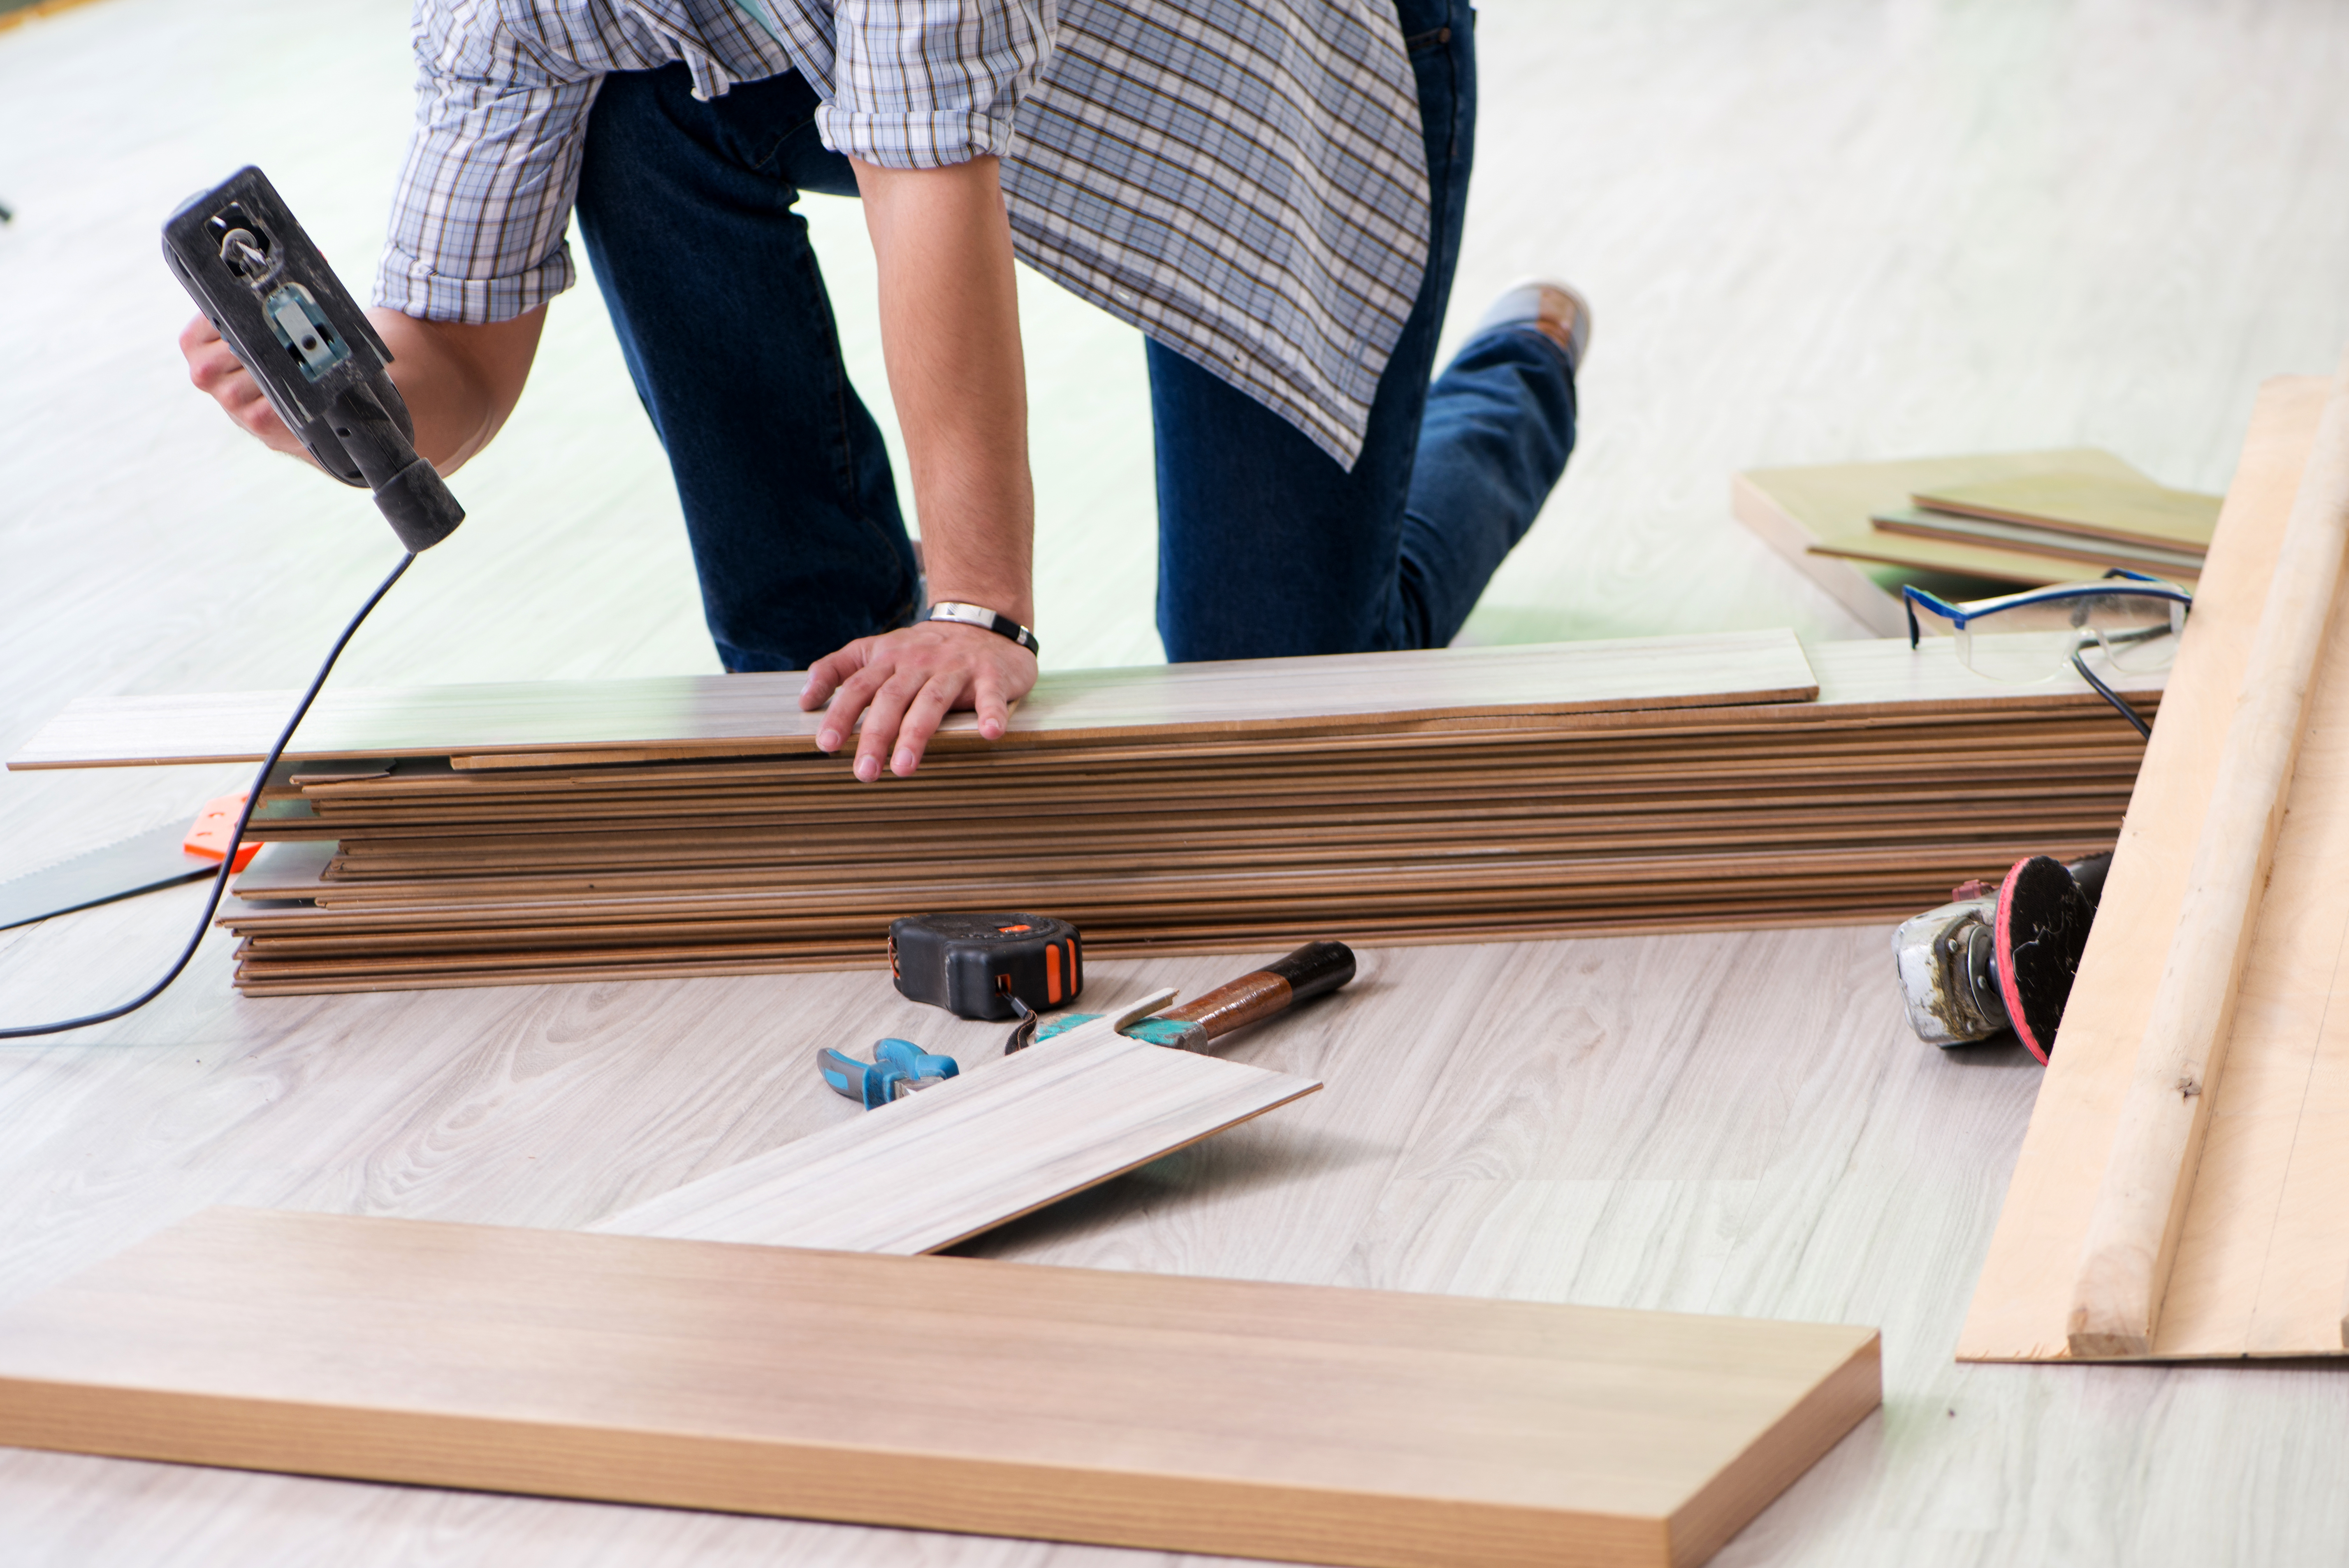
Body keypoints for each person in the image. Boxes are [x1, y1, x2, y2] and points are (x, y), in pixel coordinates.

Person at [182, 0, 1587, 782]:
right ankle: (829, 650)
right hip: (908, 76)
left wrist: (980, 607)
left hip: (1267, 74)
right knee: (629, 107)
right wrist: (346, 416)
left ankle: (1512, 376)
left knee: (1271, 692)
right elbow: (461, 365)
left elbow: (929, 191)